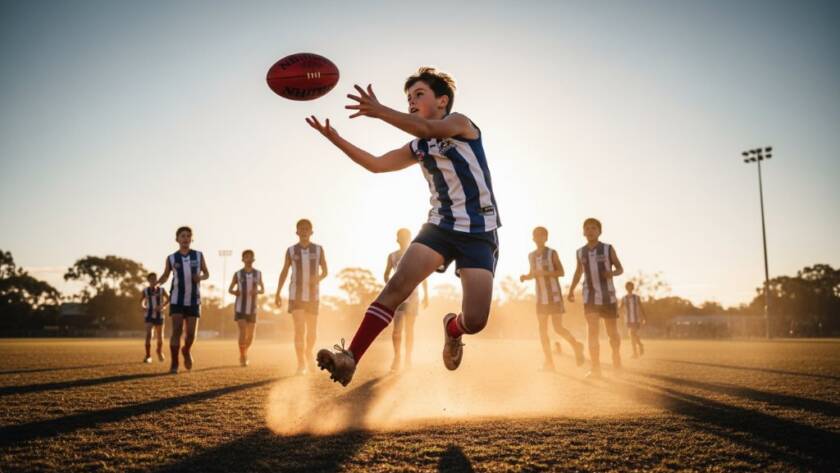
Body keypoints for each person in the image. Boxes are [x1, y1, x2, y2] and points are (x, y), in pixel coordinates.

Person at [308, 67, 500, 386]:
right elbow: (377, 164)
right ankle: (350, 358)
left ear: (442, 100)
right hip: (439, 226)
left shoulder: (460, 124)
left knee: (477, 320)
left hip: (479, 232)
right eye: (408, 97)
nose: (411, 101)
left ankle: (453, 328)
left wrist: (379, 110)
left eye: (418, 95)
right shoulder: (418, 147)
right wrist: (336, 139)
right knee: (396, 288)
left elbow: (426, 127)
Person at [520, 226, 584, 371]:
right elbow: (533, 274)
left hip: (554, 296)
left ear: (546, 238)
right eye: (536, 235)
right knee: (542, 330)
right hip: (541, 298)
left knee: (558, 328)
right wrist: (526, 277)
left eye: (542, 235)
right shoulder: (531, 255)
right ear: (533, 238)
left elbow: (561, 272)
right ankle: (549, 362)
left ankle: (576, 346)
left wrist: (545, 272)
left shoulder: (552, 253)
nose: (539, 237)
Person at [568, 218, 624, 378]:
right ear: (583, 232)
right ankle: (595, 368)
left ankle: (616, 355)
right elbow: (578, 273)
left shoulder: (607, 249)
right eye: (587, 228)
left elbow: (620, 268)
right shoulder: (580, 252)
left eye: (594, 228)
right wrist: (571, 290)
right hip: (590, 296)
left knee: (612, 332)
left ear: (599, 231)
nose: (590, 231)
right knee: (592, 331)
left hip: (608, 296)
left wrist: (612, 273)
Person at [275, 219, 328, 374]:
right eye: (301, 229)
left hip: (313, 296)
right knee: (299, 330)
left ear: (311, 232)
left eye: (307, 229)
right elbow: (284, 271)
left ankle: (308, 352)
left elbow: (325, 271)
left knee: (312, 332)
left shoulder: (318, 249)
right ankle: (301, 364)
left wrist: (318, 278)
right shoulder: (291, 251)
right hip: (296, 295)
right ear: (297, 232)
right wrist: (278, 292)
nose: (304, 231)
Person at [157, 226, 209, 374]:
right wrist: (157, 283)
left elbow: (207, 273)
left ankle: (186, 350)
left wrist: (201, 277)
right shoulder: (172, 258)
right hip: (176, 299)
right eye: (182, 236)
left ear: (191, 239)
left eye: (188, 236)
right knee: (177, 330)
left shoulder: (199, 255)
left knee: (191, 334)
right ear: (177, 239)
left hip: (193, 300)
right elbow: (166, 275)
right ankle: (174, 364)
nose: (185, 238)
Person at [384, 228, 429, 371]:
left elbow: (423, 275)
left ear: (410, 238)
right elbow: (386, 274)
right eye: (401, 237)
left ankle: (408, 358)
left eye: (406, 236)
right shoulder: (392, 256)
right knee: (397, 330)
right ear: (397, 239)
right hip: (398, 297)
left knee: (409, 330)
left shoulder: (416, 255)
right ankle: (397, 357)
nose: (403, 239)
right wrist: (390, 287)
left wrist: (426, 294)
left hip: (413, 297)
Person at [228, 249, 264, 367]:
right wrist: (235, 292)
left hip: (252, 309)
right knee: (243, 332)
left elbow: (262, 290)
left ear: (253, 259)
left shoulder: (258, 273)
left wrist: (256, 291)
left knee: (251, 336)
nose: (248, 259)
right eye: (246, 257)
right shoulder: (238, 274)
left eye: (250, 256)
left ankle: (244, 352)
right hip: (240, 308)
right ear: (243, 259)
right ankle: (243, 357)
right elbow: (230, 289)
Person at [140, 272, 169, 363]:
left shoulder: (162, 290)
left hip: (159, 315)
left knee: (160, 335)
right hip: (149, 315)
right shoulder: (145, 291)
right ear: (149, 281)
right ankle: (148, 356)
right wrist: (143, 306)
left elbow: (169, 299)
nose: (154, 281)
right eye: (152, 279)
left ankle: (159, 351)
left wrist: (163, 306)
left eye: (155, 279)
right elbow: (141, 301)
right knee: (149, 334)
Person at [621, 281, 646, 358]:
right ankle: (640, 346)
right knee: (632, 335)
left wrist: (645, 318)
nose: (629, 288)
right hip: (628, 319)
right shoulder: (624, 298)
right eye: (627, 287)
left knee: (632, 334)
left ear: (632, 288)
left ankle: (635, 352)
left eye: (630, 286)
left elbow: (641, 307)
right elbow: (620, 308)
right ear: (626, 288)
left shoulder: (636, 298)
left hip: (636, 319)